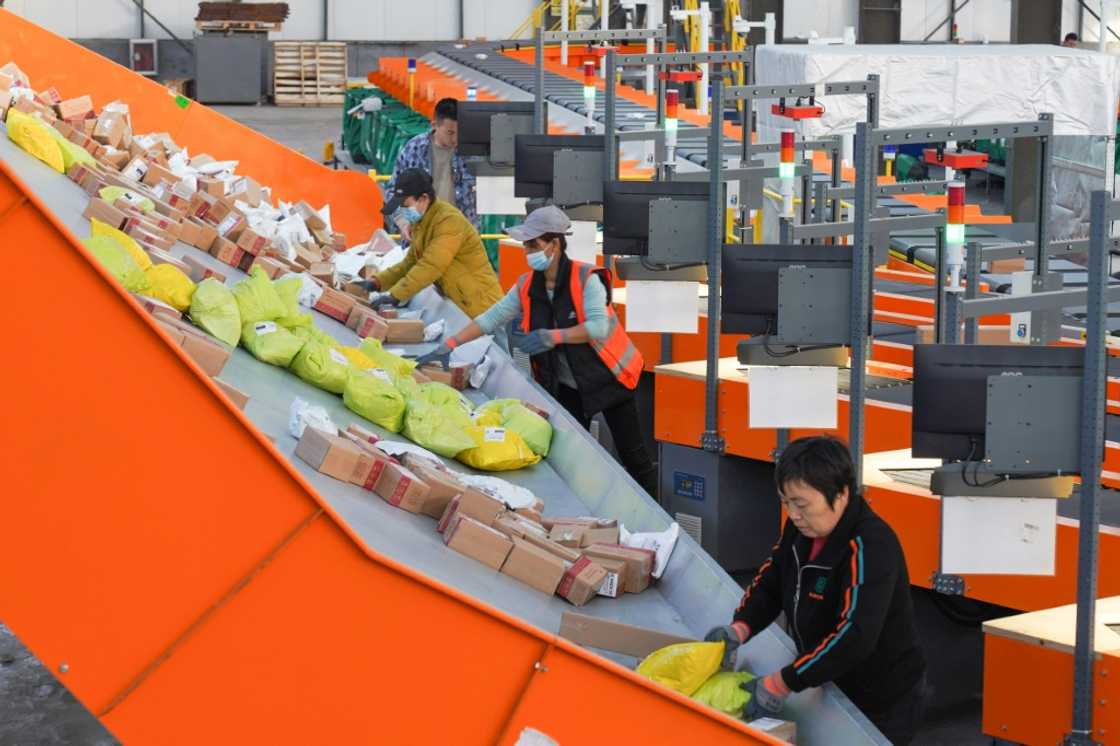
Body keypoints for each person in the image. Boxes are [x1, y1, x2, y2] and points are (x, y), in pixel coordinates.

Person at [417, 205, 658, 495]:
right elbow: (491, 318)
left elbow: (598, 328)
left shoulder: (586, 280)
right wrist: (449, 346)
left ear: (554, 244)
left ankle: (659, 520)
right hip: (569, 384)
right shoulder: (527, 286)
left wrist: (551, 337)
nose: (527, 251)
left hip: (610, 378)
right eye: (525, 244)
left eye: (533, 244)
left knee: (634, 457)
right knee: (573, 459)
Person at [705, 436, 926, 744]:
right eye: (786, 502)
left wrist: (783, 682)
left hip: (879, 699)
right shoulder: (799, 530)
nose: (794, 515)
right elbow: (772, 581)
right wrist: (740, 628)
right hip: (826, 678)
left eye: (802, 504)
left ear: (841, 494)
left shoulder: (869, 546)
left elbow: (854, 636)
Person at [363, 168, 502, 317]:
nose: (402, 211)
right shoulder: (421, 222)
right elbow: (410, 264)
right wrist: (377, 282)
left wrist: (395, 296)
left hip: (481, 305)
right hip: (460, 304)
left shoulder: (449, 221)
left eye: (405, 205)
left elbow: (430, 266)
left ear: (423, 199)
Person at [387, 97, 477, 235]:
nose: (455, 139)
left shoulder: (472, 152)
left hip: (461, 236)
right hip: (421, 235)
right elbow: (392, 194)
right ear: (434, 125)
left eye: (460, 132)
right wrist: (403, 223)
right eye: (450, 133)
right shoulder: (414, 150)